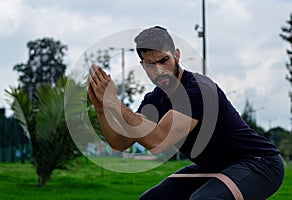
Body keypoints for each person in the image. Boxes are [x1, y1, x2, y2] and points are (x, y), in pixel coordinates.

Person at [88, 26, 284, 200]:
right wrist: (102, 109)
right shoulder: (154, 100)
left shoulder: (198, 90)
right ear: (142, 65)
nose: (159, 70)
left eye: (164, 60)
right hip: (215, 168)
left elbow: (159, 141)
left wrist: (114, 102)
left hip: (259, 164)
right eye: (150, 64)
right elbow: (120, 142)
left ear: (177, 55)